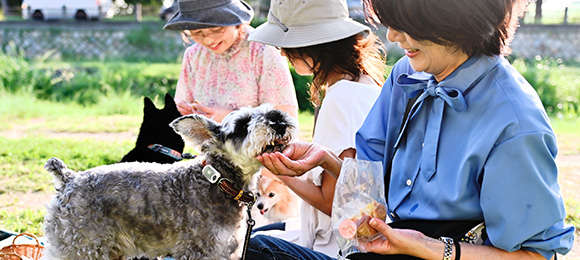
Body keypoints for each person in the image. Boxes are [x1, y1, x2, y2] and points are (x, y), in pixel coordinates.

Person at [250, 0, 576, 259]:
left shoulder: (513, 122)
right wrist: (327, 160)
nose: (392, 36)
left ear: (457, 19)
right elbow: (371, 186)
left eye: (406, 25)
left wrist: (429, 248)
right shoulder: (407, 74)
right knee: (241, 246)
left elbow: (535, 255)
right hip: (372, 252)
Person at [247, 0, 387, 257]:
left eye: (285, 47)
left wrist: (278, 169)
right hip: (334, 234)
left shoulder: (341, 99)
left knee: (247, 245)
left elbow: (334, 202)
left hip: (337, 246)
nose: (281, 54)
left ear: (311, 47)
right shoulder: (365, 83)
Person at [163, 0, 298, 122]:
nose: (208, 40)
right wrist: (182, 112)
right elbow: (182, 110)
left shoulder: (262, 51)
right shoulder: (193, 56)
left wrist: (231, 118)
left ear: (236, 23)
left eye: (216, 30)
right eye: (197, 33)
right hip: (208, 149)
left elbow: (285, 120)